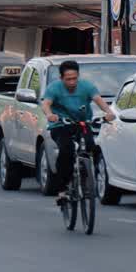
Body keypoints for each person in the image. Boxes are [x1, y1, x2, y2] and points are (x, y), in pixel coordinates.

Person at [42, 60, 115, 204]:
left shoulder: (86, 87)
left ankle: (86, 178)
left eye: (74, 78)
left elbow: (98, 100)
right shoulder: (54, 88)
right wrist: (50, 114)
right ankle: (62, 189)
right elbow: (46, 104)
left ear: (78, 76)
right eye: (68, 79)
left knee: (90, 146)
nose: (72, 82)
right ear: (61, 78)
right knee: (66, 150)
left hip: (81, 122)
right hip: (60, 124)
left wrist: (109, 112)